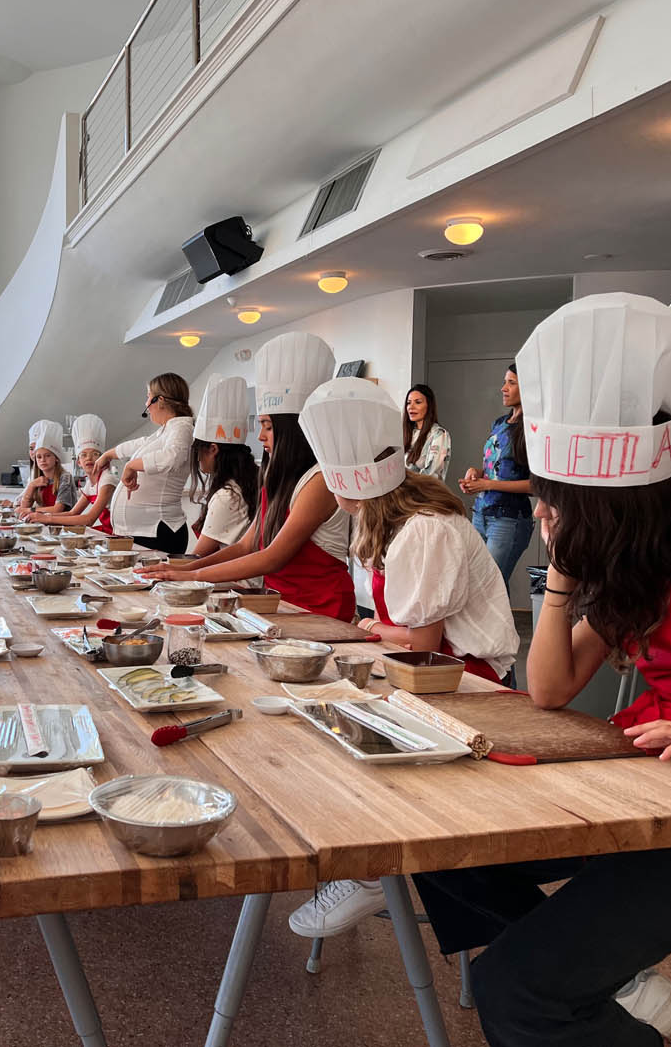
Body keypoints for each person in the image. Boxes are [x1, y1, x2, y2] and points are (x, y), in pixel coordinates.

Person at [415, 293, 671, 1045]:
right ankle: (619, 980)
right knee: (438, 843)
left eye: (571, 508)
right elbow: (550, 688)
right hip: (639, 788)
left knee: (516, 988)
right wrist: (563, 572)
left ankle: (582, 985)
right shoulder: (635, 555)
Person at [285, 377, 519, 938]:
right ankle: (367, 870)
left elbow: (424, 644)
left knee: (362, 756)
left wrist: (371, 628)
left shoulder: (426, 530)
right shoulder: (384, 517)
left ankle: (366, 873)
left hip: (471, 682)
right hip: (428, 671)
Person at [140, 334, 353, 620]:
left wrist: (196, 575)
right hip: (281, 602)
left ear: (294, 430)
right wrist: (187, 568)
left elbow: (272, 556)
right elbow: (247, 545)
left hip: (322, 607)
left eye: (267, 426)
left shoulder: (320, 481)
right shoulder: (276, 478)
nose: (261, 436)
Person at [94, 373, 196, 554]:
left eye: (148, 397)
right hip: (145, 532)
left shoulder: (182, 427)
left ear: (160, 400)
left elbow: (172, 457)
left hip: (159, 530)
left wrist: (131, 466)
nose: (146, 404)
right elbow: (139, 444)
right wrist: (108, 455)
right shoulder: (167, 430)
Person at [460, 362, 533, 588]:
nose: (503, 388)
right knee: (484, 588)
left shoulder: (533, 428)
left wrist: (488, 484)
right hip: (481, 513)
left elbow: (537, 485)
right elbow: (498, 468)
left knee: (488, 588)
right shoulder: (500, 423)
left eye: (511, 383)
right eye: (505, 382)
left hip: (508, 518)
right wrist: (477, 473)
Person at [187, 375, 258, 555]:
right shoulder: (251, 480)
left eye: (198, 451)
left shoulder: (228, 496)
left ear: (213, 449)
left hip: (233, 581)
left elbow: (198, 558)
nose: (197, 459)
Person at [24, 413, 117, 532]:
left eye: (95, 454)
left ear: (102, 458)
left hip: (117, 534)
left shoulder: (107, 480)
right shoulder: (91, 483)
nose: (89, 458)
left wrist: (47, 518)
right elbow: (72, 512)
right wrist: (42, 516)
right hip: (106, 531)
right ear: (78, 462)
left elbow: (89, 519)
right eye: (83, 455)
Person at [17, 420, 76, 514]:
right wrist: (31, 486)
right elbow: (23, 508)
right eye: (39, 457)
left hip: (62, 525)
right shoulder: (37, 478)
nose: (43, 460)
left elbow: (57, 509)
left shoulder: (65, 477)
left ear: (56, 458)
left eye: (47, 455)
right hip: (44, 523)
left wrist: (30, 511)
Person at [402, 383, 451, 480]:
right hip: (405, 493)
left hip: (425, 493)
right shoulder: (407, 434)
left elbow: (431, 475)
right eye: (408, 402)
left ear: (429, 406)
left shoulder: (439, 434)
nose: (411, 407)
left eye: (418, 402)